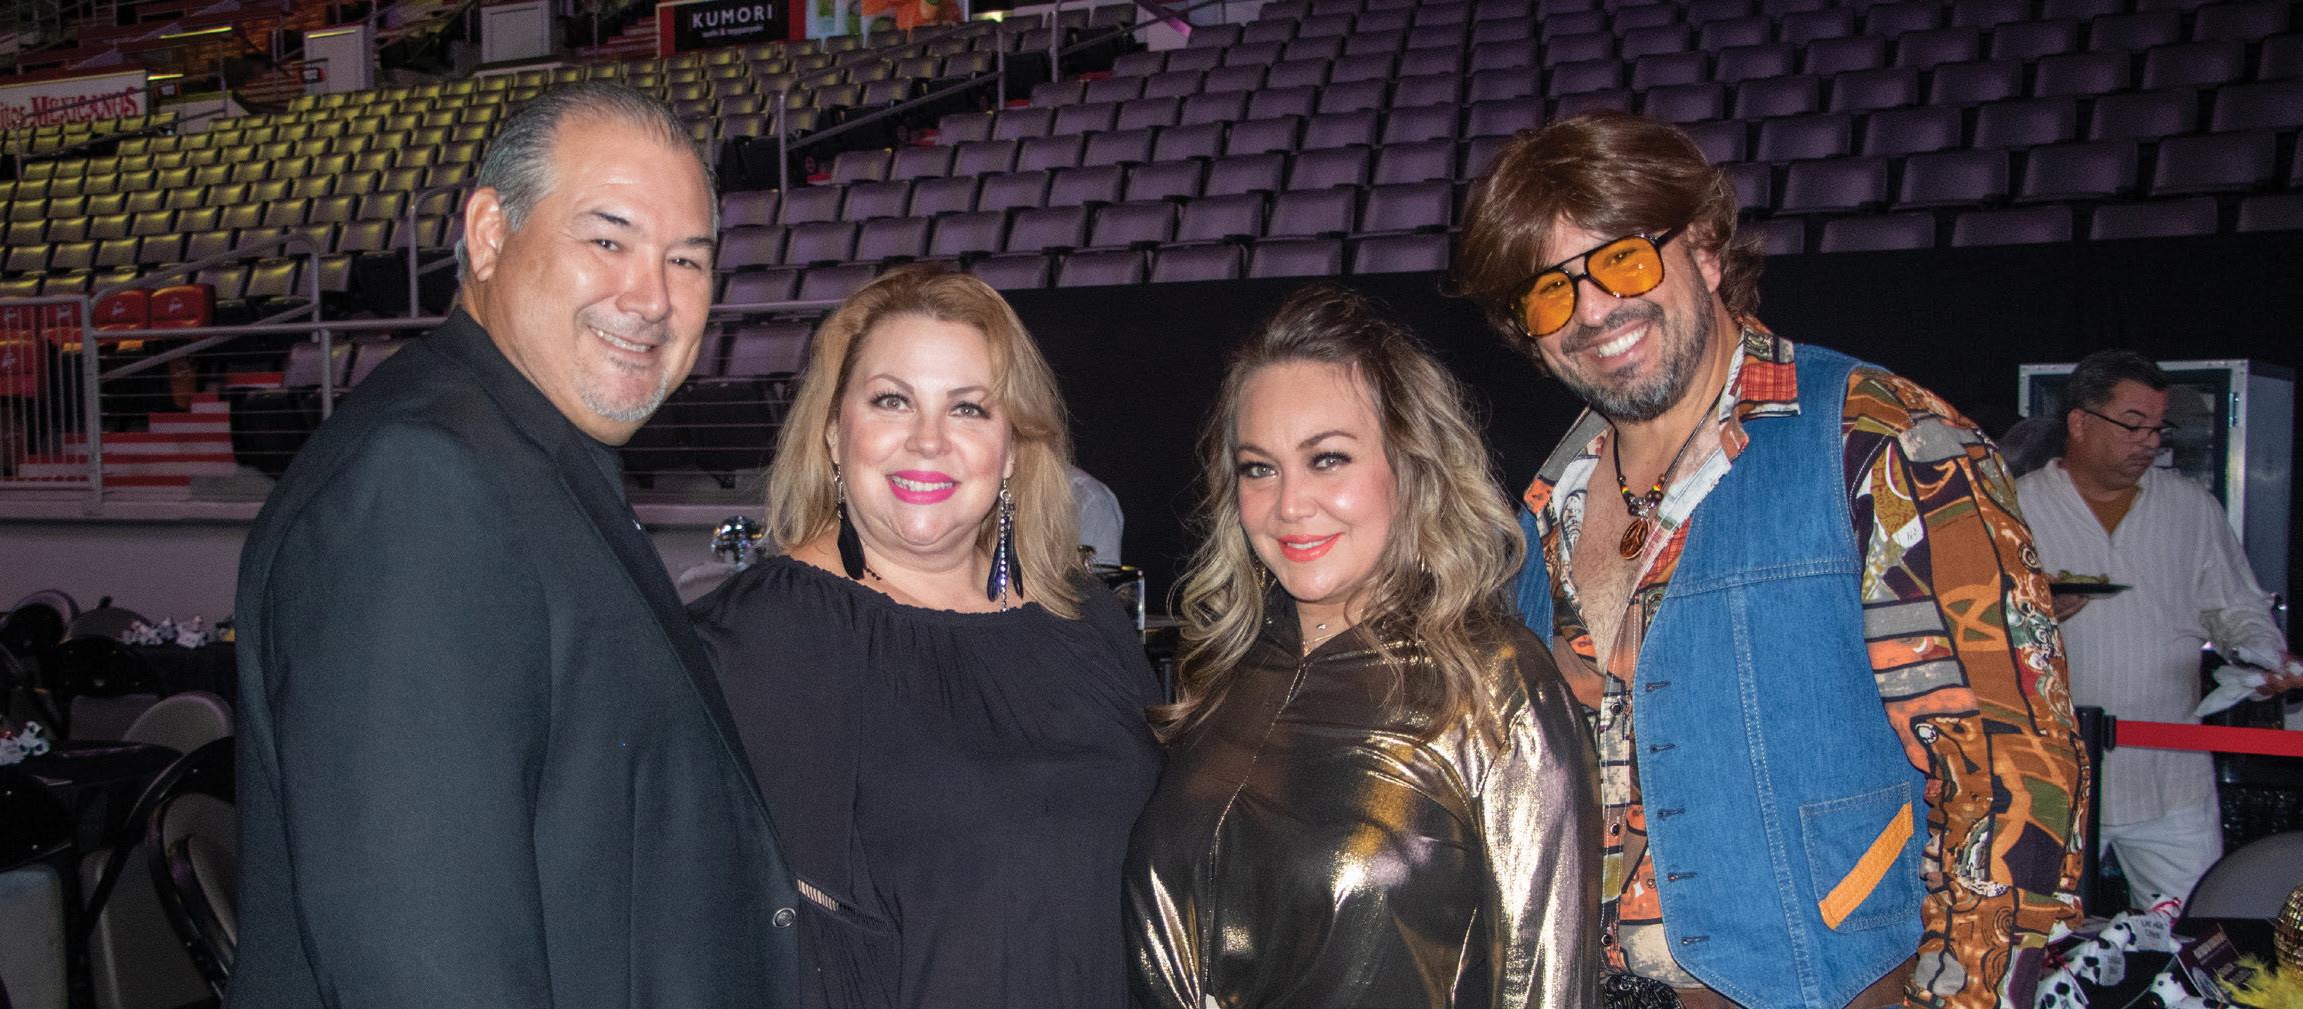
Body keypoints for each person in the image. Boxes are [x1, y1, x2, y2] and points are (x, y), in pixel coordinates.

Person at [1452, 110, 2088, 1009]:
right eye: (1550, 292)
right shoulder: (1539, 515)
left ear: (1706, 249)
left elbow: (2015, 781)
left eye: (1623, 259)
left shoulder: (1886, 444)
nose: (1592, 311)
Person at [229, 82, 798, 1008]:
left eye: (687, 261)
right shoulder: (422, 487)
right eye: (608, 240)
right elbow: (424, 968)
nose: (651, 297)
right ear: (490, 234)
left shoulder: (526, 453)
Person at [690, 265, 1162, 1009]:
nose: (929, 440)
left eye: (968, 408)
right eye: (892, 400)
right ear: (834, 433)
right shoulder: (760, 639)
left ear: (1012, 448)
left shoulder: (1086, 619)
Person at [1126, 285, 1599, 1009]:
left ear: (1411, 466)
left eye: (1328, 459)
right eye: (1259, 467)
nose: (1289, 505)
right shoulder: (1225, 674)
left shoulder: (1494, 685)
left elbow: (1547, 983)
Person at [2016, 350, 2303, 909]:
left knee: (2196, 931)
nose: (2149, 442)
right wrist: (2035, 610)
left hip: (2172, 777)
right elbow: (1969, 622)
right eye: (2133, 425)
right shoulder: (2014, 505)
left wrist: (2262, 655)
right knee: (2038, 937)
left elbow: (2235, 606)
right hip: (2051, 780)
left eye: (2157, 427)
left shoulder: (2190, 506)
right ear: (2079, 422)